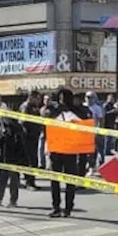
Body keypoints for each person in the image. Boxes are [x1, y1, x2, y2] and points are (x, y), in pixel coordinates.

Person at [47, 87, 93, 218]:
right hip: (56, 150)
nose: (62, 101)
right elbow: (47, 126)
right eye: (60, 98)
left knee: (70, 180)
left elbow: (86, 127)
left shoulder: (78, 112)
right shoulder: (54, 112)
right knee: (55, 180)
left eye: (64, 98)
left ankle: (68, 208)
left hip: (71, 151)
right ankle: (56, 207)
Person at [0, 114, 26, 208]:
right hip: (4, 158)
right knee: (2, 180)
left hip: (13, 159)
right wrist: (0, 136)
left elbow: (21, 146)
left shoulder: (17, 132)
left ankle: (12, 201)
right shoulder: (3, 130)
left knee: (13, 181)